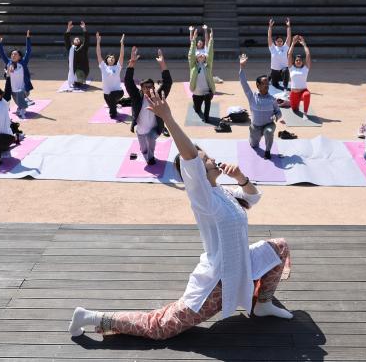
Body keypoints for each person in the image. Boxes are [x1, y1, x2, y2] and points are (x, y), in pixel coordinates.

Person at [68, 89, 293, 340]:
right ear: (196, 173)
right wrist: (169, 119)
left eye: (208, 156)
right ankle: (91, 317)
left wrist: (241, 178)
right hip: (218, 281)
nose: (212, 160)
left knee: (279, 247)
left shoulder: (222, 191)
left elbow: (252, 198)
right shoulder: (203, 197)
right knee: (160, 327)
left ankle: (262, 305)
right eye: (205, 160)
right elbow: (190, 160)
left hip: (242, 264)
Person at [123, 46, 172, 165]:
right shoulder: (136, 96)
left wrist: (163, 64)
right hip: (140, 130)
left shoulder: (158, 95)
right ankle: (145, 152)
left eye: (150, 87)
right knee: (143, 149)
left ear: (154, 87)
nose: (148, 89)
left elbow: (168, 82)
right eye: (145, 87)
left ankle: (151, 158)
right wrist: (132, 63)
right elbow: (128, 81)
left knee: (150, 142)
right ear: (141, 88)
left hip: (155, 129)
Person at [239, 54, 282, 160]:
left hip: (268, 125)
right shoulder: (251, 96)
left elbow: (278, 112)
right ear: (258, 86)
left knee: (269, 132)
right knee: (253, 145)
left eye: (268, 83)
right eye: (264, 83)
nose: (267, 85)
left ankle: (267, 151)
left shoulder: (272, 99)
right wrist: (242, 68)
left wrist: (276, 117)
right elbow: (244, 83)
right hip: (255, 127)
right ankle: (253, 138)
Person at [0, 31, 33, 119]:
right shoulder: (8, 63)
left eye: (15, 54)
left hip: (24, 89)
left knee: (20, 95)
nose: (13, 55)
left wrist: (28, 39)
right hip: (12, 89)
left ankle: (23, 107)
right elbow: (2, 53)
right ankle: (21, 106)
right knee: (16, 101)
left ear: (20, 57)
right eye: (12, 54)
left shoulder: (23, 63)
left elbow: (28, 51)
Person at [188, 26, 215, 123]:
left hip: (206, 92)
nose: (201, 56)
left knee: (208, 98)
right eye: (199, 56)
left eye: (203, 56)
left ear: (205, 58)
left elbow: (210, 53)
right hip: (196, 93)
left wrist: (211, 39)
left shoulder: (208, 66)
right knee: (197, 109)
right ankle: (196, 105)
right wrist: (193, 37)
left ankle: (206, 117)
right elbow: (191, 53)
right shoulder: (193, 66)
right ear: (196, 58)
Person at [96, 32, 125, 119]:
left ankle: (113, 113)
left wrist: (122, 44)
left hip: (118, 92)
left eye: (113, 58)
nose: (112, 58)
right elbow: (98, 54)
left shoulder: (118, 67)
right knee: (111, 101)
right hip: (106, 94)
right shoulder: (103, 66)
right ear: (106, 59)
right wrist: (98, 42)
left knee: (112, 103)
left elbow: (122, 55)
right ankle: (114, 105)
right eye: (110, 57)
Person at [287, 35, 311, 118]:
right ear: (294, 61)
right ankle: (288, 102)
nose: (298, 61)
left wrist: (304, 44)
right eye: (296, 60)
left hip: (303, 91)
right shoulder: (291, 68)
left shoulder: (305, 68)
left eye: (300, 60)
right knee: (294, 109)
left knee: (307, 95)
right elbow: (289, 54)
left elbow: (308, 55)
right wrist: (293, 43)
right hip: (294, 93)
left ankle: (305, 113)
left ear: (302, 62)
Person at [268, 17, 292, 91]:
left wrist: (288, 26)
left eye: (281, 41)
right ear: (275, 42)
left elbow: (289, 37)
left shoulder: (285, 48)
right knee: (274, 85)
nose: (279, 42)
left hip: (283, 73)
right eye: (278, 41)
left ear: (282, 42)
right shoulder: (272, 48)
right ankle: (270, 78)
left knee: (286, 70)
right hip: (274, 72)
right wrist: (270, 27)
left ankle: (285, 87)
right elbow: (269, 36)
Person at [64, 21, 90, 89]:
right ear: (73, 42)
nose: (77, 39)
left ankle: (80, 80)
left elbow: (86, 39)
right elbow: (66, 39)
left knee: (79, 82)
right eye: (75, 39)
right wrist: (68, 29)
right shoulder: (71, 48)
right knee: (74, 80)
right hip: (73, 69)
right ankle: (76, 80)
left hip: (82, 69)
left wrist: (84, 28)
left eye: (78, 39)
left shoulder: (83, 47)